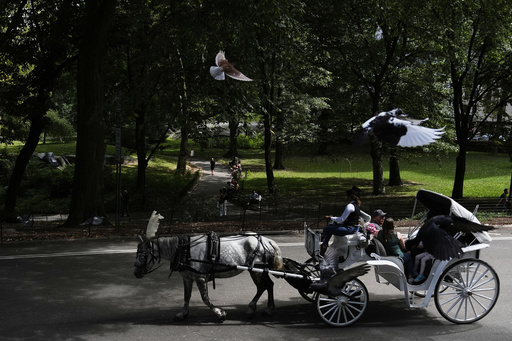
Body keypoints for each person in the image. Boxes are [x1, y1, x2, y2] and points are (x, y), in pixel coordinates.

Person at [320, 189, 361, 255]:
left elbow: (342, 219)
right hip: (353, 227)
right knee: (330, 226)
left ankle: (324, 246)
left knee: (327, 229)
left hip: (349, 229)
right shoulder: (357, 206)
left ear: (349, 197)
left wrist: (330, 217)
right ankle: (324, 244)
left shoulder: (350, 206)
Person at [376, 217, 414, 283]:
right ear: (393, 226)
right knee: (410, 258)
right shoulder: (398, 235)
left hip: (387, 256)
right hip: (397, 256)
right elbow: (403, 248)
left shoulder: (378, 234)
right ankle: (410, 276)